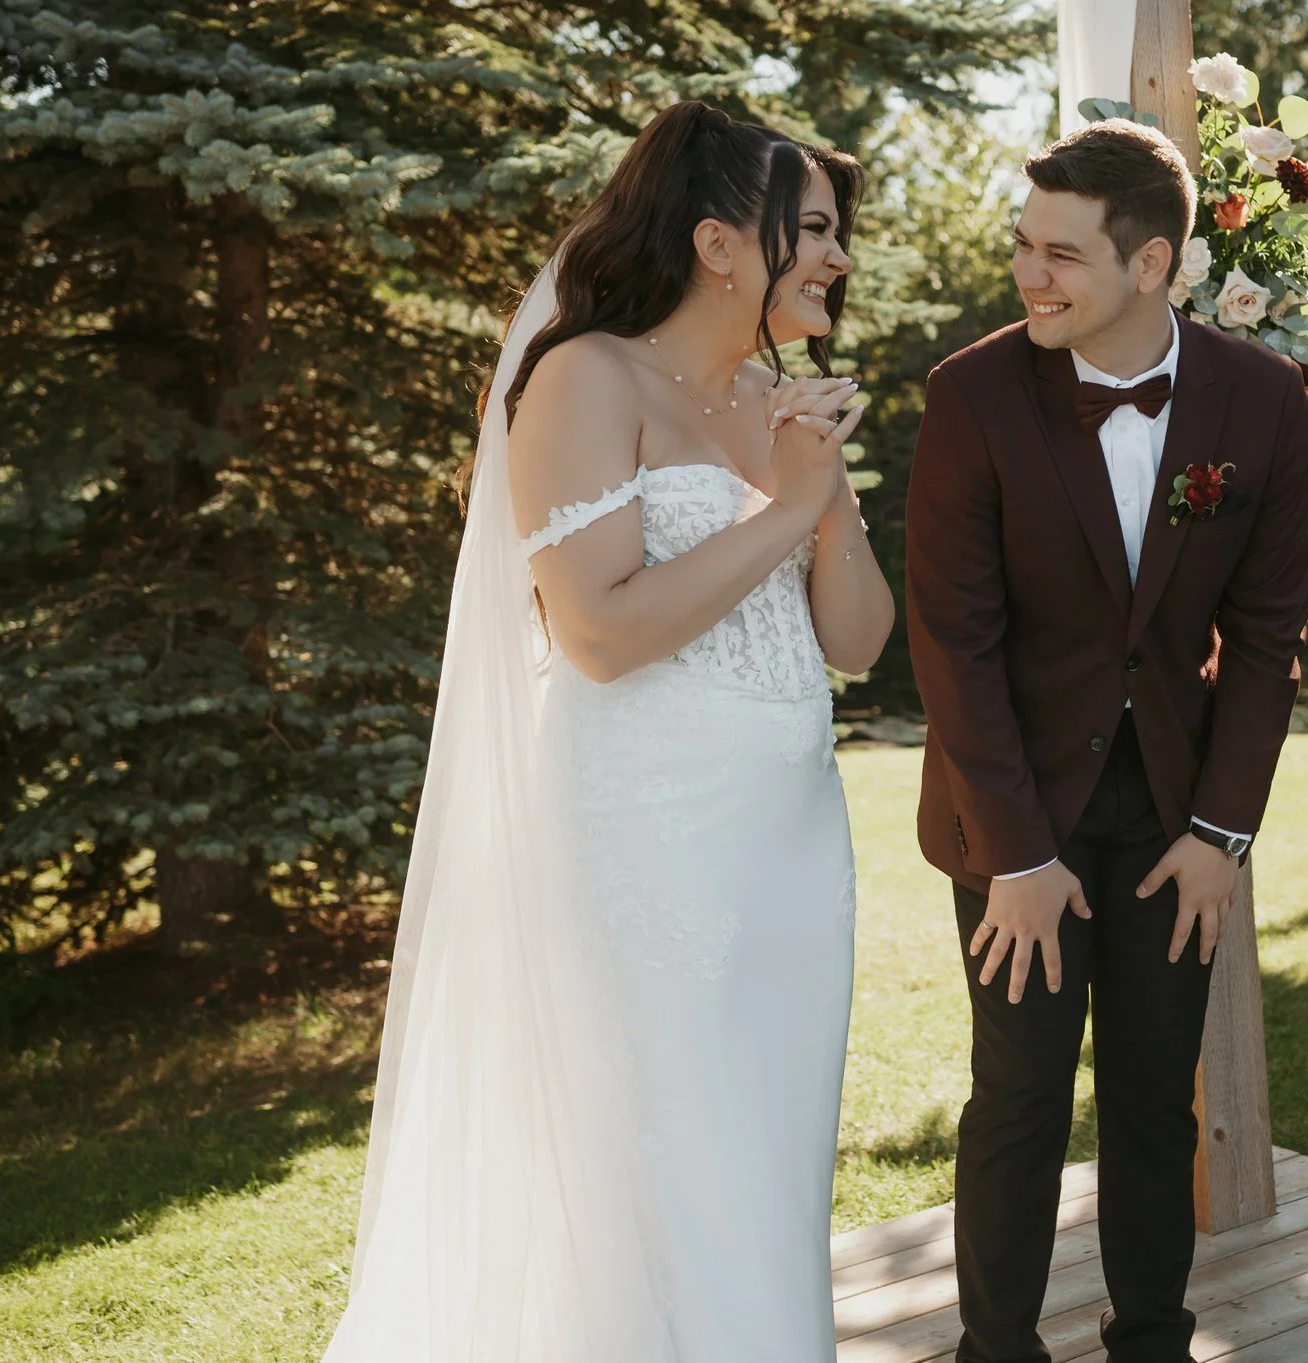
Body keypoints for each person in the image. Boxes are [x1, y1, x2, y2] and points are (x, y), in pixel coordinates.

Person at [323, 100, 894, 1361]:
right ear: (716, 244)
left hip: (790, 845)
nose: (836, 257)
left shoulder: (770, 395)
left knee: (768, 1146)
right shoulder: (584, 378)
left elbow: (855, 639)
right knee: (670, 1149)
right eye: (810, 230)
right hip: (651, 837)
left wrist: (825, 497)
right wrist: (782, 508)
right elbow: (597, 631)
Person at [905, 120, 1308, 1363]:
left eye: (1060, 256)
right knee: (1019, 1100)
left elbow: (1265, 636)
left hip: (1175, 817)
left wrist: (1220, 835)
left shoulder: (1257, 399)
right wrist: (1018, 858)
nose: (1029, 276)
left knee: (1151, 1099)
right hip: (1012, 815)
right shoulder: (968, 393)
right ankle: (995, 1346)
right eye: (1024, 248)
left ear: (1151, 265)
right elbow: (952, 645)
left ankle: (1150, 1337)